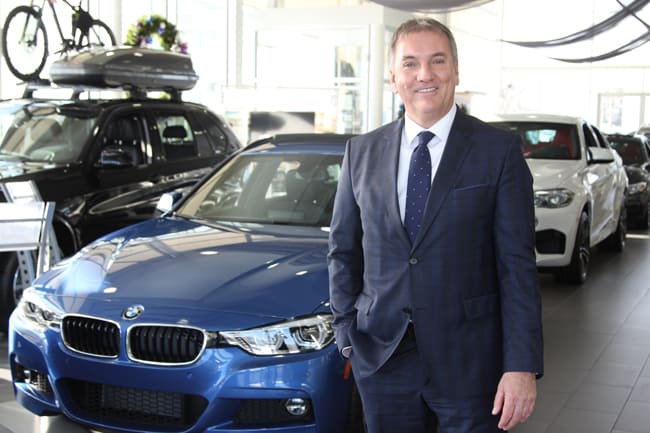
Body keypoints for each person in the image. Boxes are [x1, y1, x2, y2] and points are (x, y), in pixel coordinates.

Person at [328, 17, 543, 433]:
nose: (424, 74)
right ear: (393, 77)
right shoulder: (361, 152)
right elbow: (343, 251)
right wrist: (345, 333)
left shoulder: (498, 151)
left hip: (471, 363)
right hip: (383, 359)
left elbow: (517, 267)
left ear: (455, 71)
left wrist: (521, 366)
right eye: (410, 63)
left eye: (437, 61)